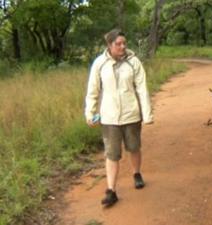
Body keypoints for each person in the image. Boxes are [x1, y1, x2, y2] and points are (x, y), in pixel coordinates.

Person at [85, 28, 153, 207]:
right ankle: (111, 190)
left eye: (124, 43)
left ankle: (136, 173)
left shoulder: (134, 62)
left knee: (134, 147)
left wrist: (147, 114)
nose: (122, 46)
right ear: (109, 45)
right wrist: (90, 113)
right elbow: (93, 90)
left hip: (131, 114)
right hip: (109, 117)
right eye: (118, 44)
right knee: (112, 154)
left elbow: (142, 89)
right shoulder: (99, 64)